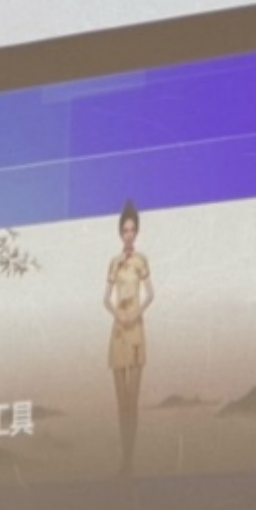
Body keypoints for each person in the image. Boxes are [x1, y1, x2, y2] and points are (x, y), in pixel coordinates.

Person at [103, 199, 153, 477]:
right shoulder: (114, 262)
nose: (129, 234)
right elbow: (104, 299)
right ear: (120, 232)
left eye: (132, 229)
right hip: (118, 330)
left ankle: (130, 460)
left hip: (135, 329)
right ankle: (124, 461)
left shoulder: (141, 261)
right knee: (121, 404)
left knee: (132, 402)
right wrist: (118, 315)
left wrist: (136, 312)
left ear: (137, 232)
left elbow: (151, 294)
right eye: (125, 230)